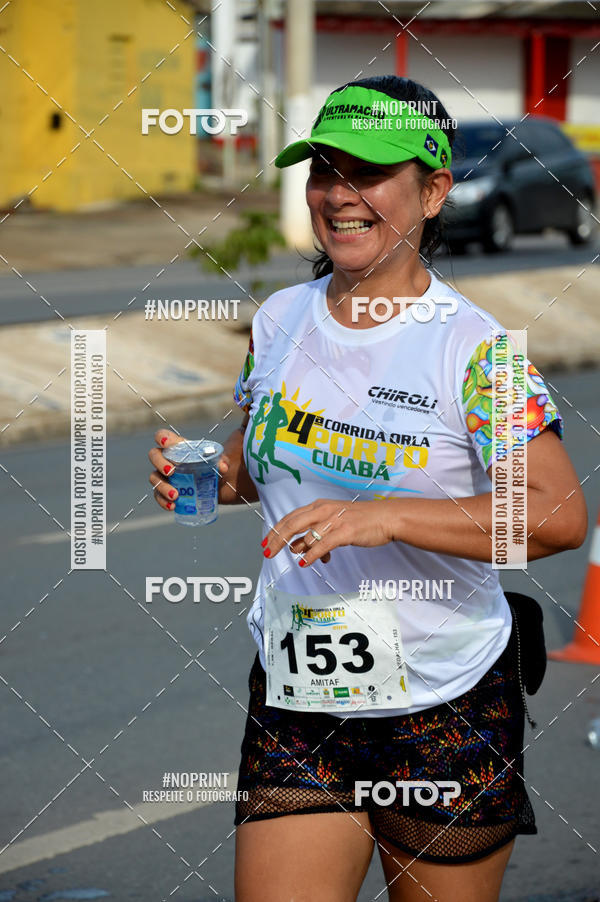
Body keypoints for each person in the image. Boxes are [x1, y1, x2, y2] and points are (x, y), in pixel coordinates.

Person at [148, 76, 587, 902]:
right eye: (324, 170)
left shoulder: (477, 351)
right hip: (300, 698)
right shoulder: (281, 318)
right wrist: (207, 472)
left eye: (370, 173)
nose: (339, 195)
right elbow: (257, 461)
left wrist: (386, 517)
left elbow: (558, 517)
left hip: (445, 700)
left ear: (434, 191)